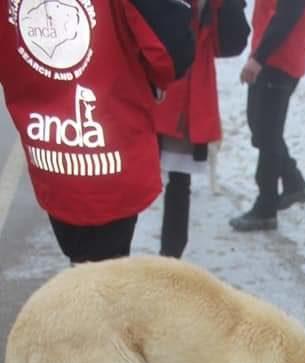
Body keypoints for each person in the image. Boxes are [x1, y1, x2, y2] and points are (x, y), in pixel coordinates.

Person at [0, 0, 195, 264]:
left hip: (47, 149)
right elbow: (173, 52)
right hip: (113, 152)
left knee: (83, 263)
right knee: (105, 276)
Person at [229, 0, 305, 233]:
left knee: (267, 133)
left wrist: (259, 58)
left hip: (279, 58)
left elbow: (288, 14)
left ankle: (266, 208)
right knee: (261, 127)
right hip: (273, 54)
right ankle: (293, 182)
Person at [155, 0, 223, 259]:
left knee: (178, 180)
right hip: (150, 82)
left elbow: (228, 42)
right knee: (131, 174)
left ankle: (170, 257)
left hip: (187, 91)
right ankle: (113, 255)